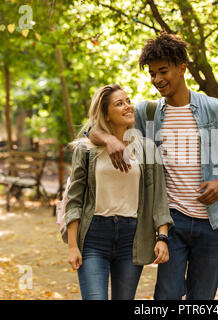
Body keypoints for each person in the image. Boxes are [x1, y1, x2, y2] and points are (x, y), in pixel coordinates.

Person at [87, 33, 218, 300]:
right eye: (152, 74)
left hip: (211, 222)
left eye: (163, 71)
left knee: (202, 298)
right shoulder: (147, 113)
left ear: (182, 68)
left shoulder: (214, 109)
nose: (157, 80)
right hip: (171, 223)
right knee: (166, 297)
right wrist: (109, 140)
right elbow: (91, 129)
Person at [65, 84, 174, 300]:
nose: (128, 106)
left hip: (131, 238)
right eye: (119, 103)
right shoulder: (86, 150)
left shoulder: (147, 148)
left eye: (128, 101)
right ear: (106, 113)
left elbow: (159, 197)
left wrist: (162, 237)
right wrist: (72, 246)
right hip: (93, 236)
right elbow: (74, 200)